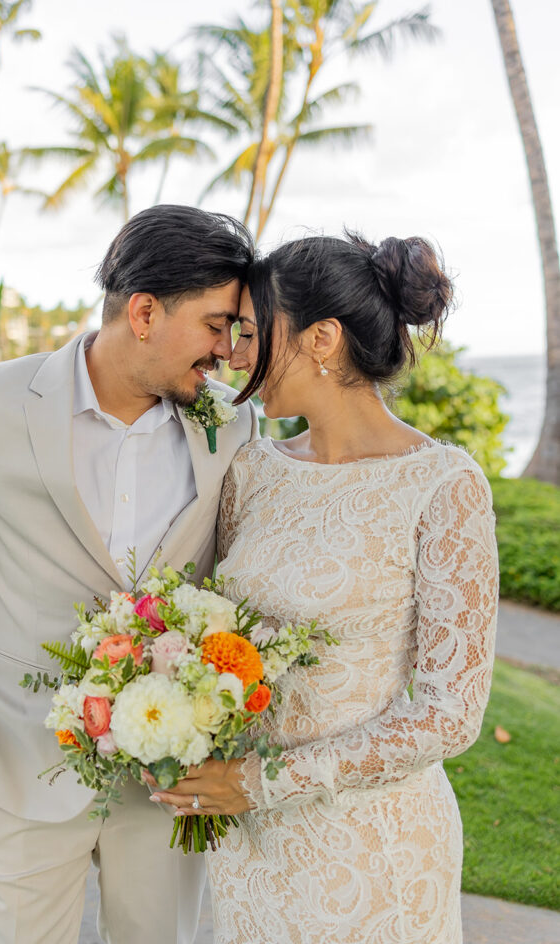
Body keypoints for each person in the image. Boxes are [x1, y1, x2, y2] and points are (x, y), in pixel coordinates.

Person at [0, 204, 258, 944]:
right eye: (217, 325)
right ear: (145, 312)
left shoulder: (233, 424)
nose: (228, 350)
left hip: (169, 781)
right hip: (11, 770)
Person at [151, 232, 499, 944]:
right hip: (249, 847)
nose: (234, 354)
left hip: (372, 848)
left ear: (321, 339)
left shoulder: (441, 485)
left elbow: (448, 715)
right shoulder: (252, 470)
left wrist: (261, 782)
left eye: (250, 331)